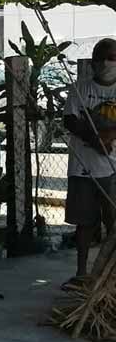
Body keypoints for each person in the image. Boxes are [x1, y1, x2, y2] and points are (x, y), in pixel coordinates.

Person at [62, 38, 116, 288]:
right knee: (84, 223)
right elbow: (70, 120)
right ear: (92, 62)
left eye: (112, 58)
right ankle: (82, 273)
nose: (106, 63)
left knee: (112, 222)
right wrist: (94, 139)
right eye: (100, 58)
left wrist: (109, 136)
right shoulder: (80, 89)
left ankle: (108, 277)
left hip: (112, 169)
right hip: (82, 167)